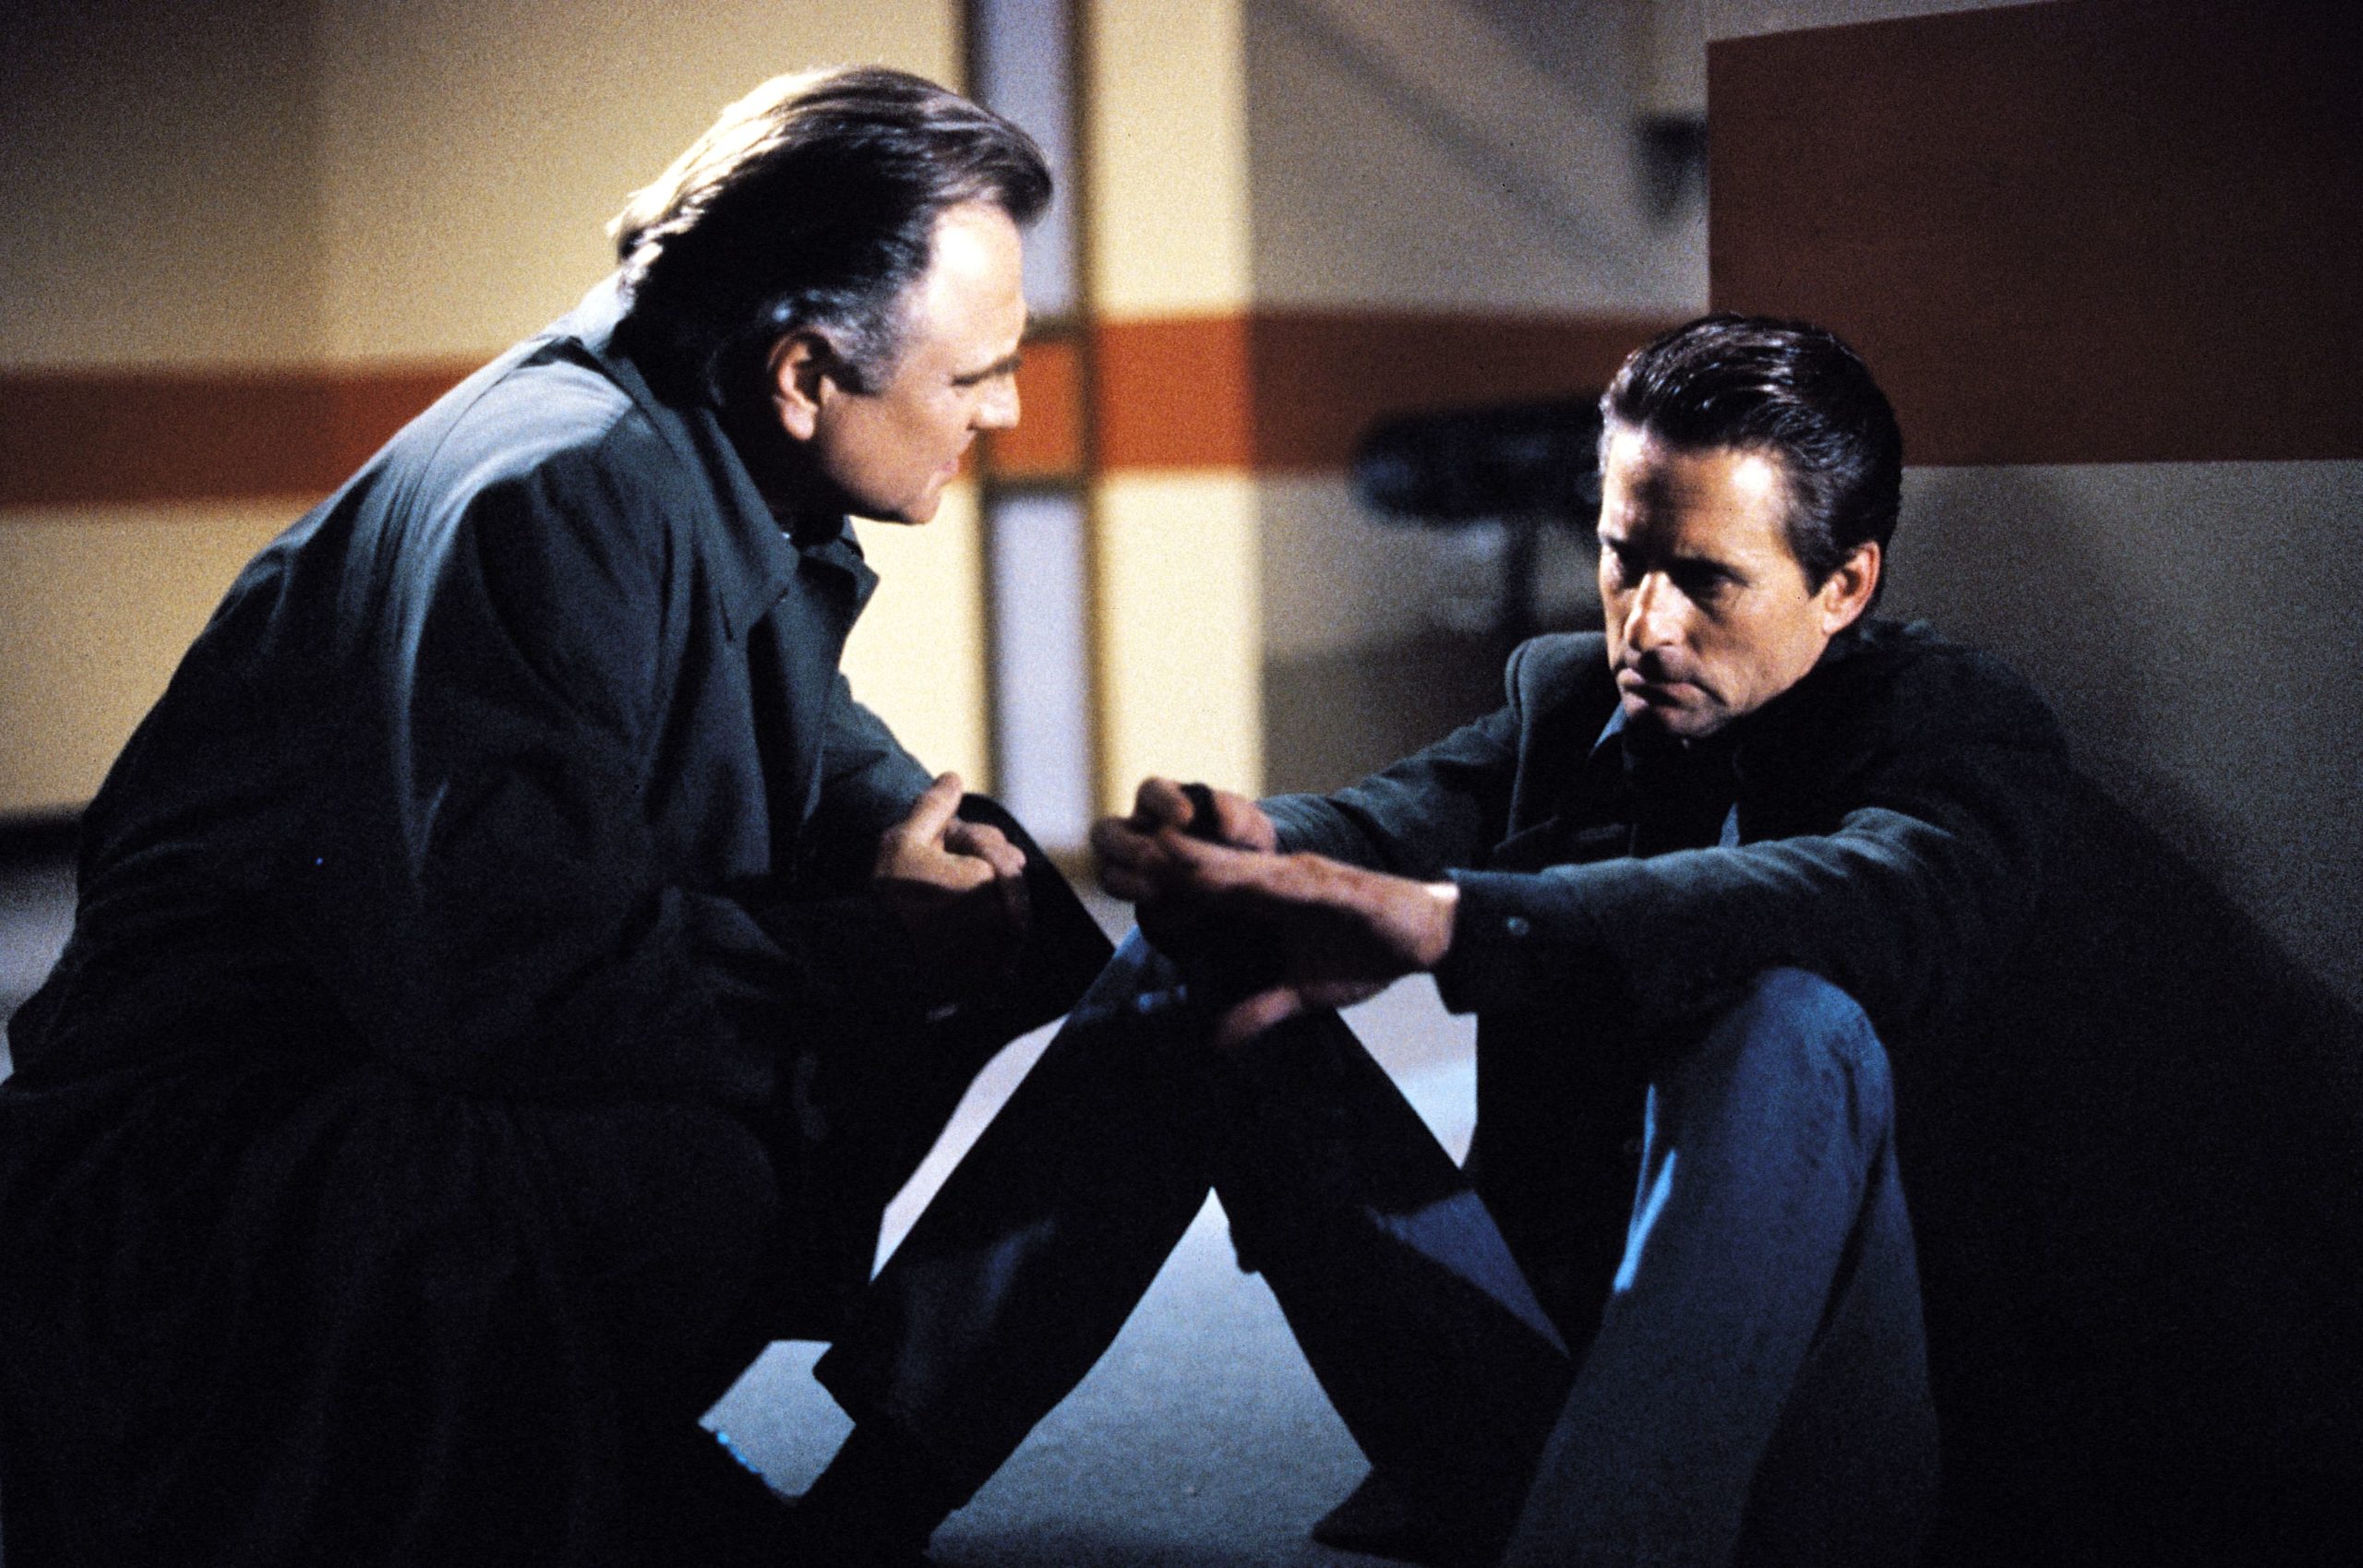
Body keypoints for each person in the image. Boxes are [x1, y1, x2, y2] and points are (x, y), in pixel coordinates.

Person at [0, 67, 1112, 1568]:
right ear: (802, 373)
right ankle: (522, 1469)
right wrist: (888, 946)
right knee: (694, 1167)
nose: (1009, 406)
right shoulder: (562, 490)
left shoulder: (685, 448)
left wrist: (1004, 883)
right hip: (195, 1181)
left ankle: (589, 1446)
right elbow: (523, 984)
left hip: (331, 1097)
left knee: (972, 971)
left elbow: (825, 758)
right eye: (978, 372)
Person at [793, 315, 2071, 1566]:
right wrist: (1251, 847)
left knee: (1791, 1017)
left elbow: (1862, 896)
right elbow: (1390, 820)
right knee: (1205, 950)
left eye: (1707, 580)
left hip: (1805, 1461)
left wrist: (1459, 924)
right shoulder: (1570, 698)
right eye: (1624, 559)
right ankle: (875, 1494)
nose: (1647, 623)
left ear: (1845, 585)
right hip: (1523, 1395)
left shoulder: (1951, 728)